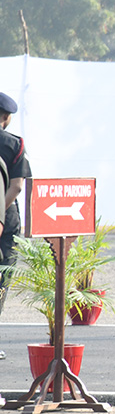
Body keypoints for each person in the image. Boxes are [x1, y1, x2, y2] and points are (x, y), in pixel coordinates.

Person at [0, 92, 32, 356]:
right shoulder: (14, 144)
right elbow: (17, 187)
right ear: (6, 118)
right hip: (5, 224)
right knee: (1, 277)